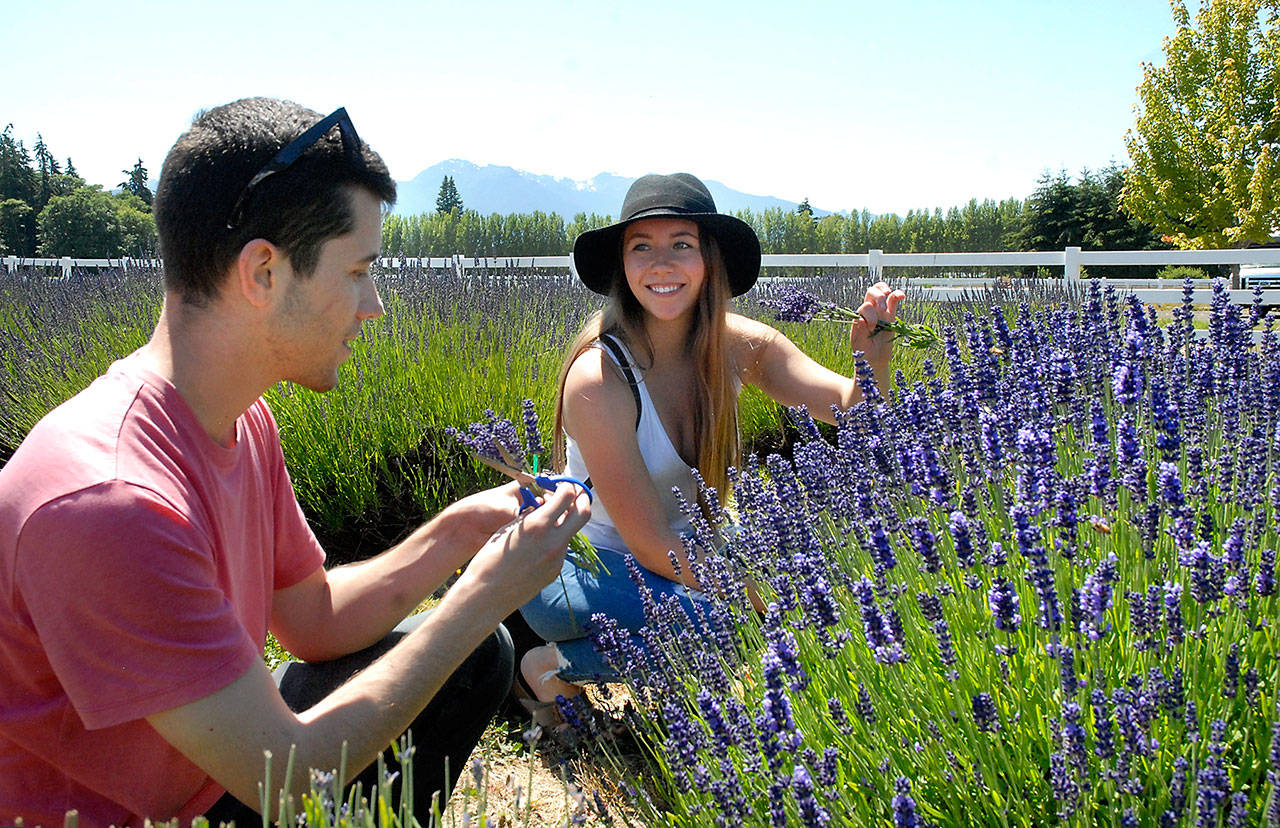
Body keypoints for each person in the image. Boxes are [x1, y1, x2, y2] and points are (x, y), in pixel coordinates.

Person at [0, 98, 589, 827]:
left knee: (476, 660)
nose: (374, 306)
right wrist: (485, 594)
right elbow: (287, 783)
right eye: (358, 272)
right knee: (468, 635)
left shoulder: (241, 419)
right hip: (141, 811)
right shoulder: (109, 500)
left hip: (217, 770)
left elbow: (311, 620)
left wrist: (458, 533)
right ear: (263, 273)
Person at [517, 173, 904, 712]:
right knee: (721, 630)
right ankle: (548, 665)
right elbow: (648, 543)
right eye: (642, 247)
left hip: (688, 553)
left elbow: (850, 412)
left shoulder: (738, 345)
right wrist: (751, 597)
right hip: (583, 569)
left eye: (681, 244)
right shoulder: (599, 377)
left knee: (824, 578)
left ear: (709, 260)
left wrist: (873, 362)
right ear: (622, 266)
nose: (661, 263)